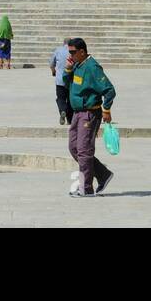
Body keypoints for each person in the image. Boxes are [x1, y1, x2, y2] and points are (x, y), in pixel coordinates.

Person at [64, 37, 116, 196]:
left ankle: (86, 188)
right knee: (74, 148)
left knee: (84, 150)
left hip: (89, 113)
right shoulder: (77, 65)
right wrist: (67, 70)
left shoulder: (92, 67)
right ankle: (103, 174)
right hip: (77, 113)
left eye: (73, 52)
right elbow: (68, 85)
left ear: (82, 51)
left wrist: (106, 109)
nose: (70, 55)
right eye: (69, 52)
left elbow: (109, 90)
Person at [50, 39, 72, 124]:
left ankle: (63, 110)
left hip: (60, 80)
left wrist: (53, 72)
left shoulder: (58, 50)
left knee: (60, 98)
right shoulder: (73, 51)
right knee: (70, 100)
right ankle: (70, 120)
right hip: (71, 80)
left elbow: (52, 63)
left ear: (63, 43)